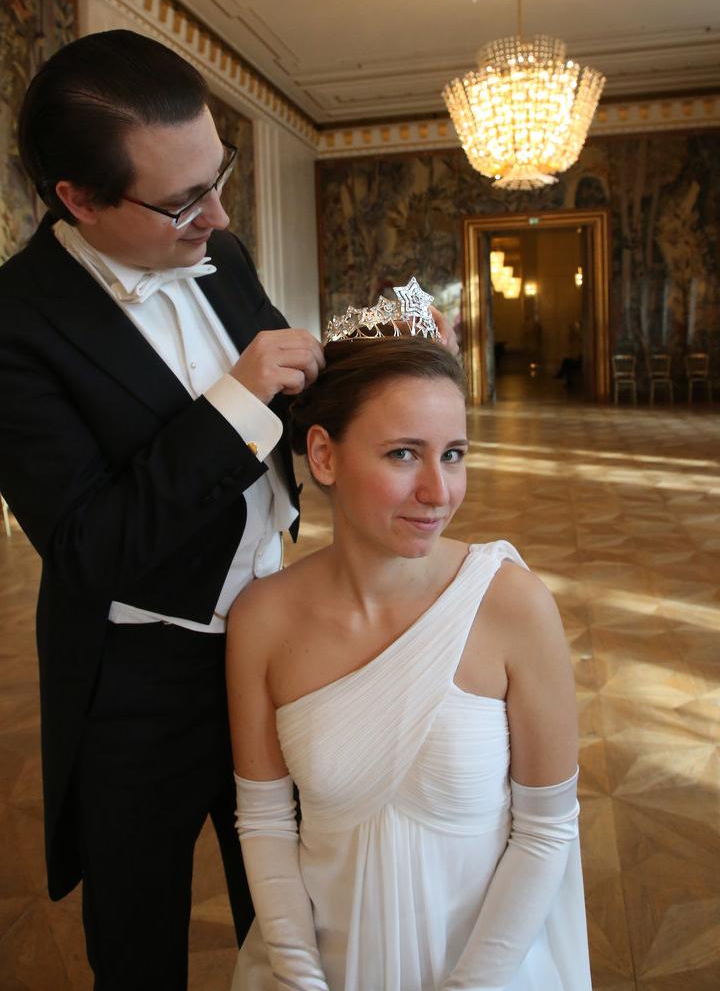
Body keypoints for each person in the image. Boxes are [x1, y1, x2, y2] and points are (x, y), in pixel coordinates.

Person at [0, 29, 326, 990]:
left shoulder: (219, 248)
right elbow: (90, 545)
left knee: (293, 904)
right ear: (78, 199)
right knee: (138, 936)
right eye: (186, 200)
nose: (219, 215)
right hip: (137, 683)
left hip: (276, 635)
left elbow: (285, 393)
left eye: (219, 177)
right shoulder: (14, 323)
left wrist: (381, 366)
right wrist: (235, 398)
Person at [226, 331, 592, 990]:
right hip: (326, 967)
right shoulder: (263, 620)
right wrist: (299, 974)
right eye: (403, 454)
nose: (438, 491)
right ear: (324, 455)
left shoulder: (513, 606)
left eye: (453, 455)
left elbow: (545, 831)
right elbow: (265, 819)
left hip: (489, 968)